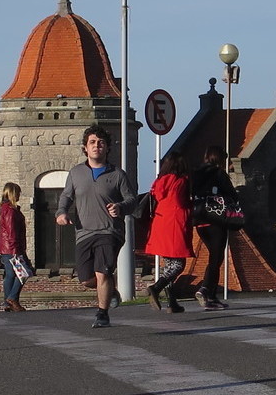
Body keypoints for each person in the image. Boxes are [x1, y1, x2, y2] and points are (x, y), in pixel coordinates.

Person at [56, 125, 137, 328]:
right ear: (85, 147)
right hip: (84, 232)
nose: (96, 146)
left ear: (107, 148)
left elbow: (132, 200)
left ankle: (102, 314)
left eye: (101, 143)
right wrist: (61, 213)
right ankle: (112, 290)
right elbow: (66, 196)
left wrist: (120, 207)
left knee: (102, 271)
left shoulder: (118, 174)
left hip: (110, 231)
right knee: (86, 279)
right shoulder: (76, 173)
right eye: (92, 142)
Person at [145, 151, 194, 314]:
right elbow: (180, 202)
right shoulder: (180, 181)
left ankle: (172, 303)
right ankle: (156, 288)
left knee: (169, 264)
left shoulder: (160, 181)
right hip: (175, 223)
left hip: (160, 223)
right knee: (179, 264)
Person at [191, 145, 239, 311]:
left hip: (199, 221)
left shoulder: (195, 173)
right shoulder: (219, 174)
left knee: (213, 256)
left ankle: (210, 294)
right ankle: (206, 291)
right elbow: (232, 195)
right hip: (216, 220)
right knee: (216, 258)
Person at [0, 182, 28, 312]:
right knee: (24, 273)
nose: (20, 195)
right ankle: (12, 298)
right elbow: (12, 232)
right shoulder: (10, 210)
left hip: (5, 248)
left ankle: (7, 303)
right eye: (18, 193)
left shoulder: (4, 208)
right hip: (12, 248)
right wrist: (16, 250)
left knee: (10, 275)